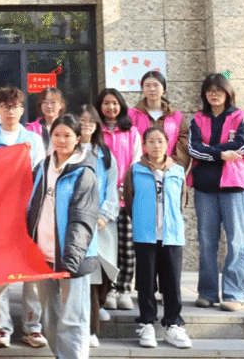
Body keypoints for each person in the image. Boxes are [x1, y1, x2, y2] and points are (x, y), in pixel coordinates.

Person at [0, 87, 46, 349]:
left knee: (32, 274)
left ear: (22, 110)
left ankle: (32, 327)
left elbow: (39, 177)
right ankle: (2, 327)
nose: (10, 111)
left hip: (29, 215)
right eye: (5, 107)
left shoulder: (33, 140)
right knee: (0, 276)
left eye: (15, 107)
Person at [26, 114, 99, 359]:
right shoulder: (42, 167)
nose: (61, 140)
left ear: (78, 138)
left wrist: (72, 260)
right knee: (49, 318)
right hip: (43, 255)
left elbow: (83, 219)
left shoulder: (84, 172)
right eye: (57, 134)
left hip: (71, 257)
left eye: (68, 135)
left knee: (73, 319)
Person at [187, 73, 244, 312]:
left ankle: (238, 293)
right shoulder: (198, 119)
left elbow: (243, 145)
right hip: (205, 187)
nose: (214, 94)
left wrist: (211, 150)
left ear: (227, 93)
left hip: (233, 186)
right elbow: (194, 148)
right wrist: (221, 154)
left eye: (218, 90)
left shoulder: (240, 117)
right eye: (209, 90)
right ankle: (207, 292)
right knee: (206, 241)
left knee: (236, 240)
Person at [123, 127, 191, 349]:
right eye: (151, 141)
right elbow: (130, 201)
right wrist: (142, 221)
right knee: (146, 282)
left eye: (160, 141)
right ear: (144, 145)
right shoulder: (135, 170)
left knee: (172, 282)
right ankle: (147, 323)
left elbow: (182, 201)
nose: (156, 145)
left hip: (172, 234)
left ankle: (173, 324)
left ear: (167, 144)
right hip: (145, 234)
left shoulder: (178, 170)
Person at [75, 104, 119, 349]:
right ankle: (90, 329)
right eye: (82, 120)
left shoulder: (105, 154)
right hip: (77, 225)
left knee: (104, 275)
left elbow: (112, 188)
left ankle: (96, 310)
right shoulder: (68, 150)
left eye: (91, 121)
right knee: (89, 277)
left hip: (102, 225)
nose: (86, 125)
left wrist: (104, 215)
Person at [95, 88, 141, 311]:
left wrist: (125, 187)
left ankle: (124, 289)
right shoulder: (96, 131)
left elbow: (136, 160)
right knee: (108, 247)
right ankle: (110, 289)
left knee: (126, 247)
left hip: (125, 198)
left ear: (121, 105)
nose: (110, 107)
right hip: (103, 200)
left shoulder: (131, 132)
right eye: (106, 103)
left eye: (114, 103)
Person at [128, 71, 190, 168]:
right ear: (142, 89)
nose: (152, 89)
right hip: (141, 168)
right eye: (147, 85)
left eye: (156, 85)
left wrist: (175, 166)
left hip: (170, 168)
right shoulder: (132, 114)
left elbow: (183, 144)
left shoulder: (175, 115)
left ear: (163, 89)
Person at [27, 87, 67, 152]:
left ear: (61, 105)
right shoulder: (31, 129)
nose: (49, 106)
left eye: (53, 102)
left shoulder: (68, 127)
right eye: (45, 102)